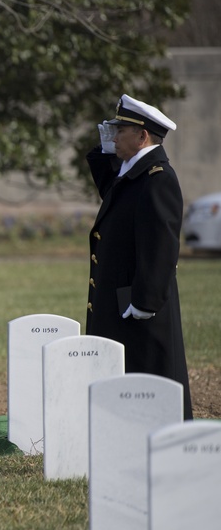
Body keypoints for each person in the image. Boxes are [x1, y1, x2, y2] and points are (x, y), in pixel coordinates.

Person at [87, 94, 193, 420]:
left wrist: (145, 301)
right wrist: (107, 150)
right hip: (121, 300)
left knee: (151, 379)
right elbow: (114, 196)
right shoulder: (134, 172)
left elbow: (161, 247)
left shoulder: (158, 179)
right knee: (126, 379)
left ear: (142, 135)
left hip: (139, 304)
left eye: (121, 130)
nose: (114, 136)